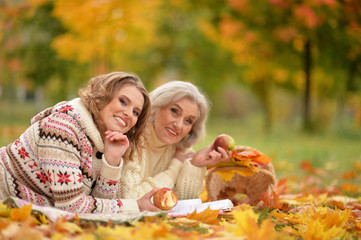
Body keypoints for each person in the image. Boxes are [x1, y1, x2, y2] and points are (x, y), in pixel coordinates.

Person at [0, 71, 159, 214]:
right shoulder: (61, 129)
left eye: (135, 112)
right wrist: (135, 206)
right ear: (102, 96)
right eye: (123, 101)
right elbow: (73, 207)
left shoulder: (100, 140)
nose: (128, 113)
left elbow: (98, 206)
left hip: (24, 210)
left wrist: (111, 160)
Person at [117, 81, 231, 208]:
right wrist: (174, 169)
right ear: (155, 106)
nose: (178, 125)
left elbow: (183, 205)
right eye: (174, 111)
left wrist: (194, 165)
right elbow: (130, 200)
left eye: (188, 121)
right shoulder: (130, 138)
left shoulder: (181, 149)